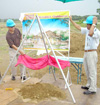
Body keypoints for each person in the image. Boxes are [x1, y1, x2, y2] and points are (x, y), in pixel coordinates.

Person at [69, 16, 100, 95]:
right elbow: (79, 27)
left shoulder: (96, 31)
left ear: (91, 24)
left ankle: (93, 88)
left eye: (87, 24)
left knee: (92, 71)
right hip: (86, 53)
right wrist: (71, 20)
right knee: (87, 69)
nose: (86, 26)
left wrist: (94, 24)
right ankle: (89, 85)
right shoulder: (87, 30)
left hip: (92, 53)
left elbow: (90, 33)